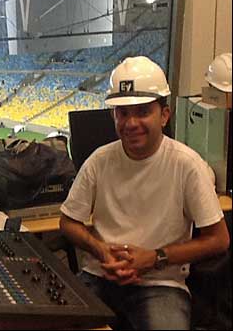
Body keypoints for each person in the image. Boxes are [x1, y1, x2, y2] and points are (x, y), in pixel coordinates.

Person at [59, 56, 230, 330]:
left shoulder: (187, 165)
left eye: (142, 111)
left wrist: (155, 258)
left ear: (164, 115)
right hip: (99, 276)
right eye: (123, 113)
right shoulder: (99, 161)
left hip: (161, 284)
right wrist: (101, 251)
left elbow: (219, 240)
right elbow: (68, 222)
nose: (130, 123)